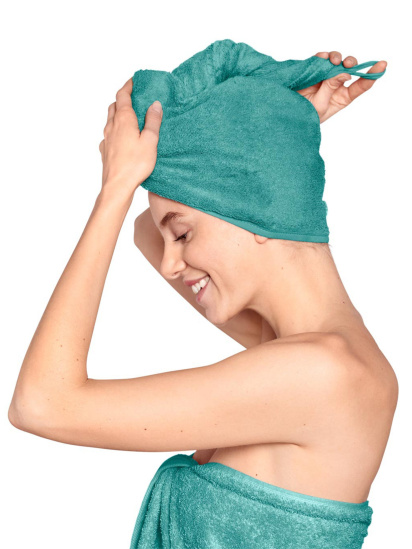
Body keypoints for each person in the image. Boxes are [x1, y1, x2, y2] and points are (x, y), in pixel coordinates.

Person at [8, 49, 397, 548]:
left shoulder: (323, 373)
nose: (169, 263)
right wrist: (272, 135)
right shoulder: (302, 353)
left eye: (183, 235)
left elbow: (41, 405)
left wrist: (116, 188)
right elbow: (146, 232)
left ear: (259, 206)